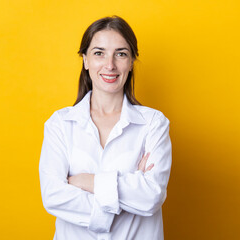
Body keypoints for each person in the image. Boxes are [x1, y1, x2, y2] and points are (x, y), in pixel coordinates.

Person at [39, 16, 172, 240]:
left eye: (120, 54)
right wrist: (129, 191)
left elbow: (151, 197)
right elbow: (53, 196)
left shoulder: (153, 124)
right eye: (99, 53)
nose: (110, 65)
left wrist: (87, 181)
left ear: (131, 62)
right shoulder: (59, 124)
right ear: (85, 60)